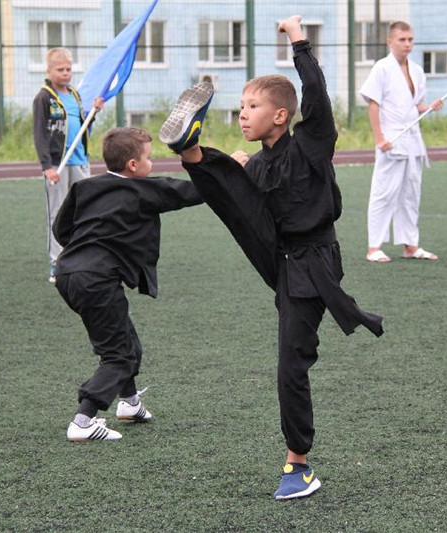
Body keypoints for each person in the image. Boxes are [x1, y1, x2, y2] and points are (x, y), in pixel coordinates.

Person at [159, 16, 383, 499]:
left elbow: (317, 95)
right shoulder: (257, 162)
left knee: (290, 365)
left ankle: (299, 464)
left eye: (253, 106)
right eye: (240, 106)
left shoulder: (311, 145)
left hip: (316, 261)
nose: (243, 114)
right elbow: (236, 205)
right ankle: (193, 152)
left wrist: (298, 38)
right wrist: (231, 170)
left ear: (280, 115)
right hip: (279, 258)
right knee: (235, 182)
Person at [53, 127, 203, 441]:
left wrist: (87, 249)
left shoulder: (84, 187)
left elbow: (61, 229)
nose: (153, 164)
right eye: (149, 158)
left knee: (126, 341)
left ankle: (129, 403)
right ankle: (83, 419)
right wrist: (230, 168)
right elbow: (193, 193)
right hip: (97, 280)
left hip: (68, 274)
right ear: (133, 166)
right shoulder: (143, 190)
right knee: (118, 355)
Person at [359, 21, 443, 264]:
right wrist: (379, 139)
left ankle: (410, 245)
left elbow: (414, 106)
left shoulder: (416, 70)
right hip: (391, 140)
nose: (407, 44)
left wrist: (429, 107)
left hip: (413, 140)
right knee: (384, 192)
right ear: (390, 42)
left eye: (410, 40)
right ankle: (374, 247)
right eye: (402, 40)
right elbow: (373, 105)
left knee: (410, 193)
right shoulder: (382, 68)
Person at [32, 47, 104, 283]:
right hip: (58, 165)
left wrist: (93, 112)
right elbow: (40, 134)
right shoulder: (44, 97)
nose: (65, 73)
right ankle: (56, 262)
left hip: (80, 161)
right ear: (49, 71)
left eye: (68, 69)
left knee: (85, 210)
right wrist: (47, 165)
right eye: (60, 69)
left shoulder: (74, 94)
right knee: (58, 213)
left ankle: (81, 257)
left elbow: (82, 124)